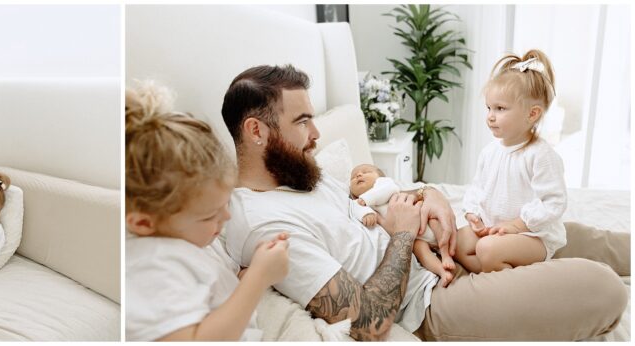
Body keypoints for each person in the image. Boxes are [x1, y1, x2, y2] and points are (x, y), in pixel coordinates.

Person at [219, 64, 627, 341]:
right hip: (432, 301)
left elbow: (372, 192)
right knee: (603, 288)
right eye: (302, 121)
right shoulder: (266, 227)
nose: (316, 135)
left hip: (441, 250)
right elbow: (367, 322)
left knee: (559, 233)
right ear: (257, 131)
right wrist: (404, 234)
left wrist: (427, 195)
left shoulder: (299, 172)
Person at [124, 81, 289, 341]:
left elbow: (208, 284)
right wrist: (257, 279)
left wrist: (251, 268)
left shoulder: (185, 239)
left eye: (226, 204)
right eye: (209, 215)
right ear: (144, 223)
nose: (226, 217)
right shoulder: (151, 267)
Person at [454, 49, 567, 274]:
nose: (490, 116)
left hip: (532, 235)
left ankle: (505, 277)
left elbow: (553, 202)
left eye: (500, 109)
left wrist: (517, 225)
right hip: (494, 228)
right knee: (458, 241)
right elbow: (478, 187)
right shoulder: (490, 151)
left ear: (532, 114)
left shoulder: (540, 154)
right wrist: (473, 214)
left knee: (487, 249)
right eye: (489, 108)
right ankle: (492, 271)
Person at [348, 163, 455, 287]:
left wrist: (366, 200)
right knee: (421, 251)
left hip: (422, 219)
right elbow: (357, 209)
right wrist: (366, 214)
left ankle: (446, 255)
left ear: (379, 177)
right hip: (416, 237)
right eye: (353, 177)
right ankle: (442, 271)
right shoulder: (357, 202)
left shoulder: (383, 184)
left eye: (366, 171)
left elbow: (388, 189)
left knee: (436, 222)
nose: (359, 175)